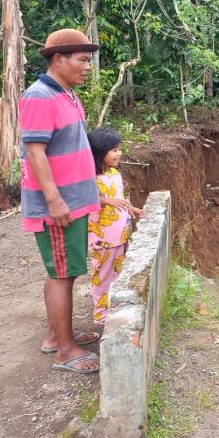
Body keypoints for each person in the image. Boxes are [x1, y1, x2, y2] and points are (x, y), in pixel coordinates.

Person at [19, 28, 101, 374]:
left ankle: (58, 335)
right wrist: (54, 200)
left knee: (64, 271)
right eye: (82, 60)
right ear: (58, 59)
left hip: (73, 201)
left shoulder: (67, 94)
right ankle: (65, 351)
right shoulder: (39, 97)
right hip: (59, 206)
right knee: (62, 275)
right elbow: (34, 152)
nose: (87, 67)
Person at [87, 128, 142, 325]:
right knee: (102, 276)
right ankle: (101, 315)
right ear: (100, 152)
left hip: (120, 235)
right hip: (103, 239)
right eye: (114, 150)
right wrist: (106, 201)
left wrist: (131, 208)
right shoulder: (91, 178)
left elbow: (118, 200)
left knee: (117, 274)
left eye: (119, 149)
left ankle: (113, 307)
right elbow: (87, 201)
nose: (119, 153)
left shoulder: (114, 174)